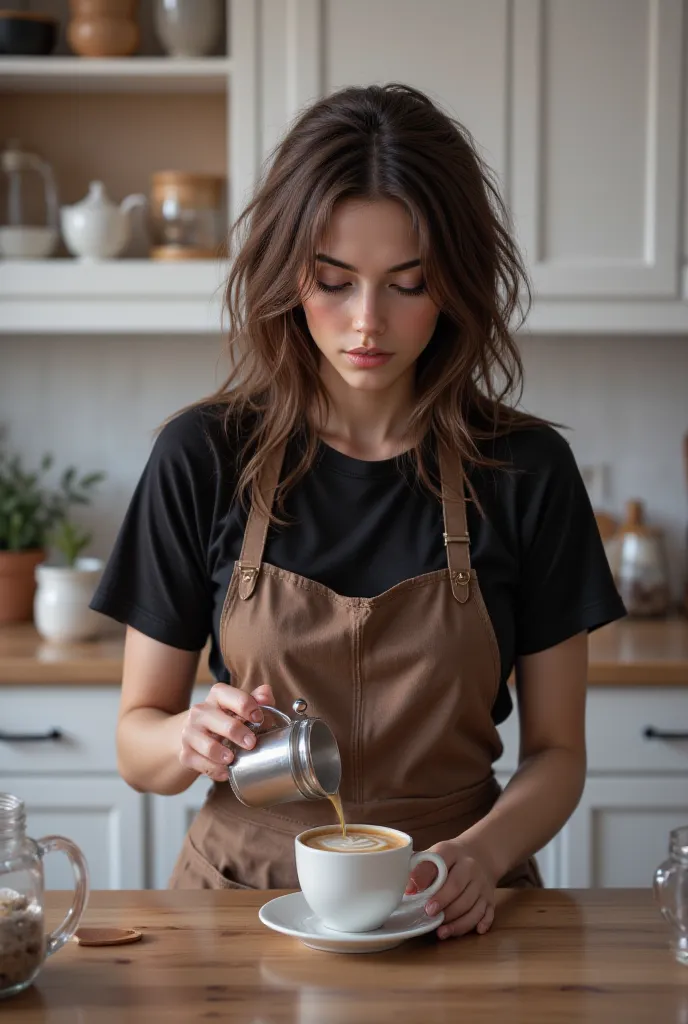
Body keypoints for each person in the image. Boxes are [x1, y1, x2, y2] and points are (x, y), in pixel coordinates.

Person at [91, 83, 626, 940]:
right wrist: (188, 737)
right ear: (284, 275)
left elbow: (559, 753)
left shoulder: (527, 472)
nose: (367, 322)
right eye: (333, 283)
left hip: (453, 904)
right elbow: (135, 743)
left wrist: (481, 856)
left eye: (408, 284)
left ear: (454, 285)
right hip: (236, 908)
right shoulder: (203, 456)